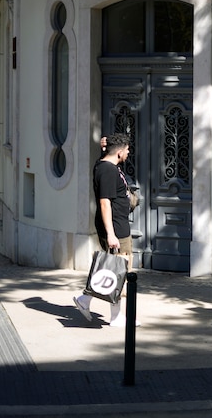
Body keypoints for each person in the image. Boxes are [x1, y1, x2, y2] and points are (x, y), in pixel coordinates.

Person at [73, 133, 138, 327]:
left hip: (117, 225)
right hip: (116, 228)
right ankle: (114, 316)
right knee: (118, 271)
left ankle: (86, 301)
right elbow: (104, 203)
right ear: (119, 153)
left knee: (111, 269)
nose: (128, 153)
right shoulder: (108, 171)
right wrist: (111, 234)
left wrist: (103, 148)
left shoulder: (104, 165)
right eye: (126, 150)